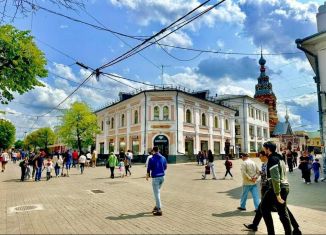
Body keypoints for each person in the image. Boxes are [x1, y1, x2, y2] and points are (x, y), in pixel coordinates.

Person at [243, 151, 301, 234]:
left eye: (260, 156)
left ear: (265, 156)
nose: (259, 157)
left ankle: (295, 228)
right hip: (266, 187)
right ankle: (255, 224)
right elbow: (264, 174)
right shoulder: (264, 164)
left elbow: (274, 177)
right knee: (263, 208)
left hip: (270, 188)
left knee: (281, 210)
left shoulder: (270, 163)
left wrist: (273, 190)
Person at [261, 141, 295, 235]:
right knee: (282, 212)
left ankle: (272, 233)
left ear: (268, 149)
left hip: (277, 188)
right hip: (284, 186)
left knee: (265, 208)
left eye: (264, 148)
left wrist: (277, 194)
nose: (263, 150)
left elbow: (275, 178)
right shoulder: (280, 157)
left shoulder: (272, 159)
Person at [146, 146, 167, 216]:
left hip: (155, 178)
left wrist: (147, 175)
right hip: (162, 177)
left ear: (153, 151)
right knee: (157, 192)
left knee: (156, 193)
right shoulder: (163, 158)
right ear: (159, 150)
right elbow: (165, 167)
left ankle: (159, 209)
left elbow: (149, 168)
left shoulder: (151, 159)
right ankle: (157, 206)